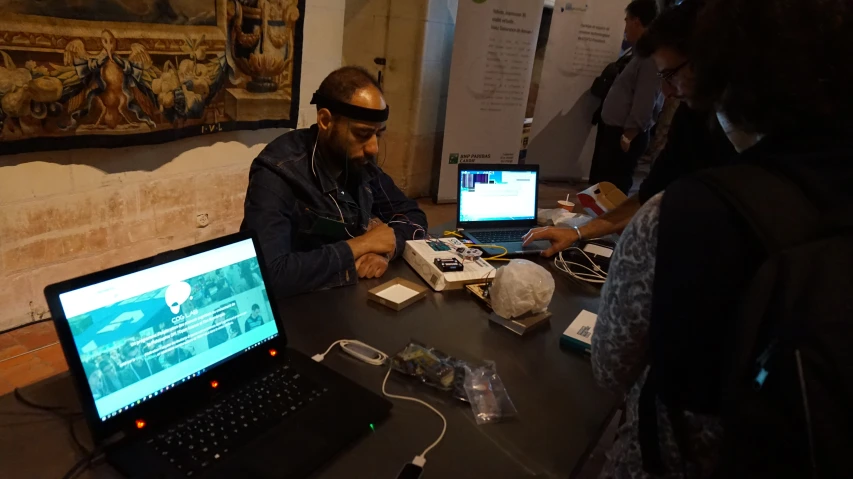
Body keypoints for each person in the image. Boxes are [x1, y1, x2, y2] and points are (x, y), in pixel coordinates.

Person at [590, 0, 853, 477]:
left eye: (677, 76)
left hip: (679, 456)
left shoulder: (684, 214)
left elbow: (609, 366)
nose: (673, 93)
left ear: (726, 70)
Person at [523, 0, 735, 256]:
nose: (667, 92)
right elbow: (649, 193)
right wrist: (577, 233)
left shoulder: (760, 136)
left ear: (707, 58)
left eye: (670, 75)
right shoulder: (691, 118)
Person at [242, 66, 427, 296]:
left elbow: (413, 216)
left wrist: (384, 251)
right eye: (362, 134)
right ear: (325, 120)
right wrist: (361, 245)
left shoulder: (358, 164)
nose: (373, 148)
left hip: (345, 298)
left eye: (378, 134)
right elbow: (270, 273)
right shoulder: (276, 173)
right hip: (296, 310)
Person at [587, 0, 662, 195]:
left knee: (613, 188)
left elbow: (646, 100)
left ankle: (608, 225)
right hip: (616, 132)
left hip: (624, 136)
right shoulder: (641, 54)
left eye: (627, 20)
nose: (625, 26)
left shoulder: (650, 58)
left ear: (637, 21)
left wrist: (628, 135)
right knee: (601, 187)